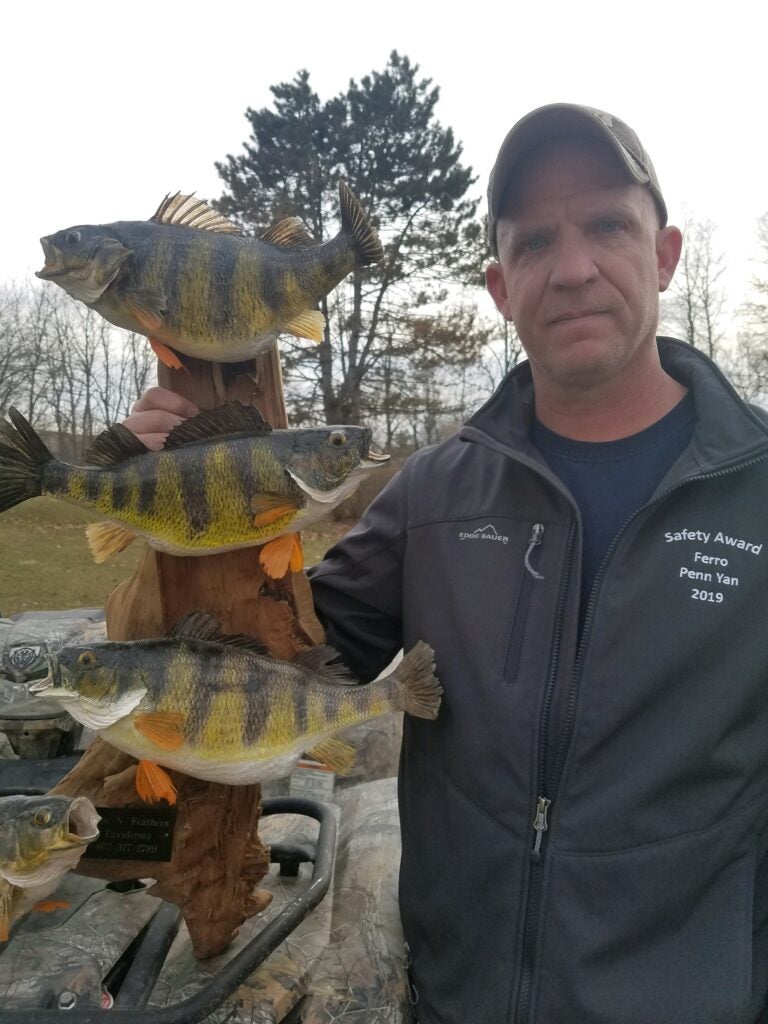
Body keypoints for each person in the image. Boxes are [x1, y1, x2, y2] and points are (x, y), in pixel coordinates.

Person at [124, 104, 768, 1024]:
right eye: (536, 240)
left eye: (606, 227)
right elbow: (270, 659)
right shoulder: (434, 495)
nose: (574, 267)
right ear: (502, 287)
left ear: (663, 256)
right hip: (454, 1001)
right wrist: (178, 524)